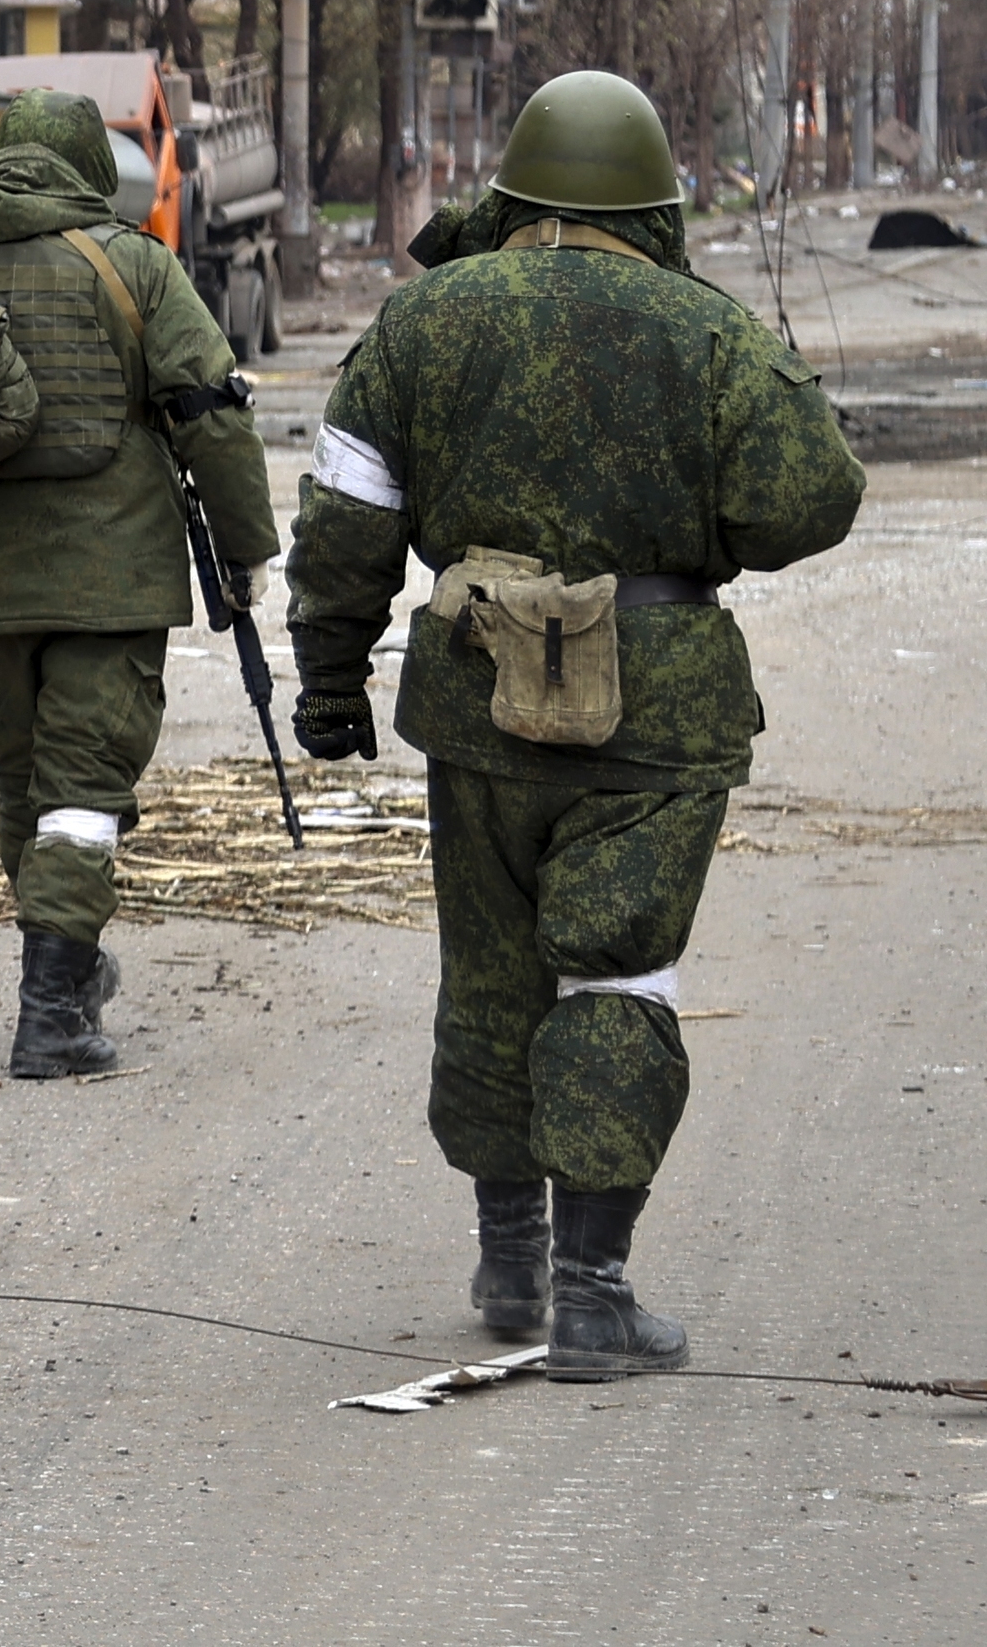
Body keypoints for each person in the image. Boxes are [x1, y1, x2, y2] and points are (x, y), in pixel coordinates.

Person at [286, 70, 866, 1379]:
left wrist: (330, 683)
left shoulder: (422, 323)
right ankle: (596, 1293)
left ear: (515, 191)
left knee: (491, 970)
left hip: (477, 702)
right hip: (653, 711)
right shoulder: (702, 330)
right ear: (654, 203)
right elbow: (814, 499)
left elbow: (345, 525)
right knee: (615, 972)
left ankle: (509, 1260)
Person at [0, 87, 274, 1078]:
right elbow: (210, 413)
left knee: (26, 783)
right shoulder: (131, 264)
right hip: (110, 580)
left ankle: (67, 968)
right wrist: (245, 547)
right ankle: (51, 1017)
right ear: (91, 167)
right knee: (81, 789)